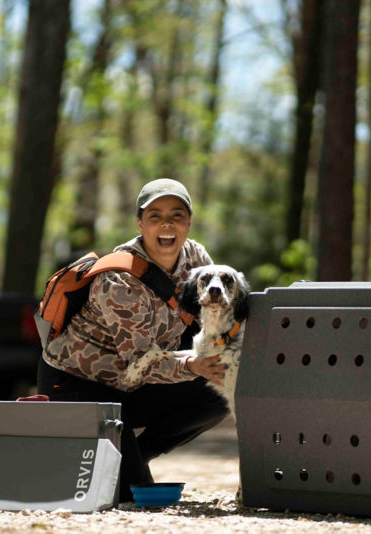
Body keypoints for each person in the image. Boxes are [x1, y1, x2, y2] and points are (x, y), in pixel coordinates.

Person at [37, 178, 230, 503]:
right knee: (128, 496)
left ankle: (136, 452)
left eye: (177, 215)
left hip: (132, 384)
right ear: (140, 223)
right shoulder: (118, 279)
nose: (167, 224)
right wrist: (195, 364)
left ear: (188, 222)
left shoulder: (197, 259)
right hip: (78, 386)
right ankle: (121, 459)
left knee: (219, 395)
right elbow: (139, 361)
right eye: (155, 216)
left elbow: (215, 317)